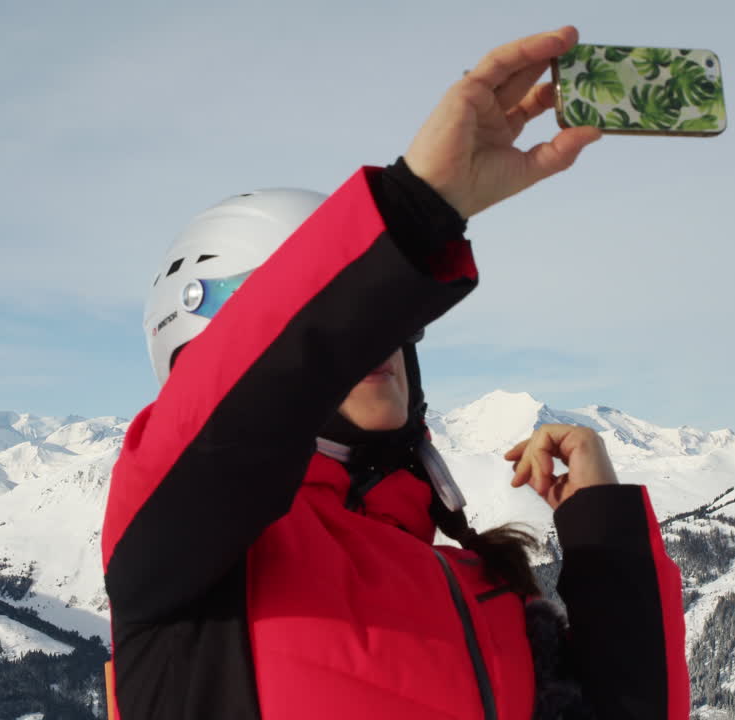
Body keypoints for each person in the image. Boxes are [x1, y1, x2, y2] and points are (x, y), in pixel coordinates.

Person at [101, 26, 690, 720]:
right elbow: (223, 426)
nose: (376, 339)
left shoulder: (487, 590)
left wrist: (601, 528)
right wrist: (417, 206)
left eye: (386, 322)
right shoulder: (192, 569)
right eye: (349, 316)